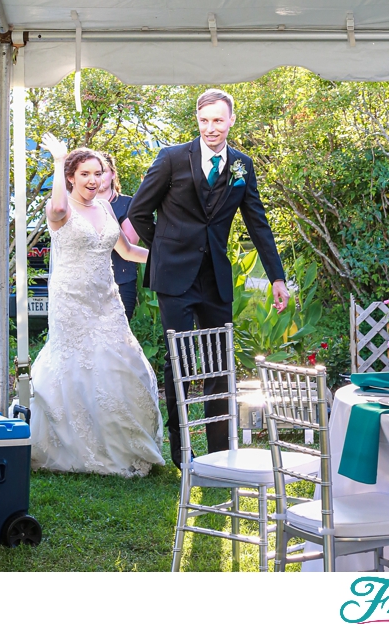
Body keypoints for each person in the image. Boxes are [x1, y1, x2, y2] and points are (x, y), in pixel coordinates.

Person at [128, 89, 288, 469]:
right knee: (179, 363)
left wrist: (277, 277)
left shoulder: (242, 166)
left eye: (218, 120)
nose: (211, 128)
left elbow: (258, 224)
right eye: (204, 120)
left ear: (231, 120)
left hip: (215, 277)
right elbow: (137, 213)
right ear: (197, 121)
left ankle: (219, 452)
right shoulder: (171, 159)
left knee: (220, 363)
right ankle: (183, 453)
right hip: (174, 280)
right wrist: (164, 251)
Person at [30, 139, 163, 477]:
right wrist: (59, 160)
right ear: (71, 176)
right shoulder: (58, 209)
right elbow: (59, 209)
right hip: (71, 298)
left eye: (97, 172)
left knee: (123, 363)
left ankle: (121, 442)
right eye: (84, 173)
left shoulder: (104, 208)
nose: (92, 179)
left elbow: (128, 251)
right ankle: (76, 445)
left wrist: (172, 260)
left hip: (106, 299)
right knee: (78, 365)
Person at [96, 150, 141, 322]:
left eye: (103, 172)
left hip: (121, 280)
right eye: (94, 173)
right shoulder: (79, 206)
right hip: (89, 283)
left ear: (113, 174)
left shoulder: (127, 203)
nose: (99, 178)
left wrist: (105, 217)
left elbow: (130, 243)